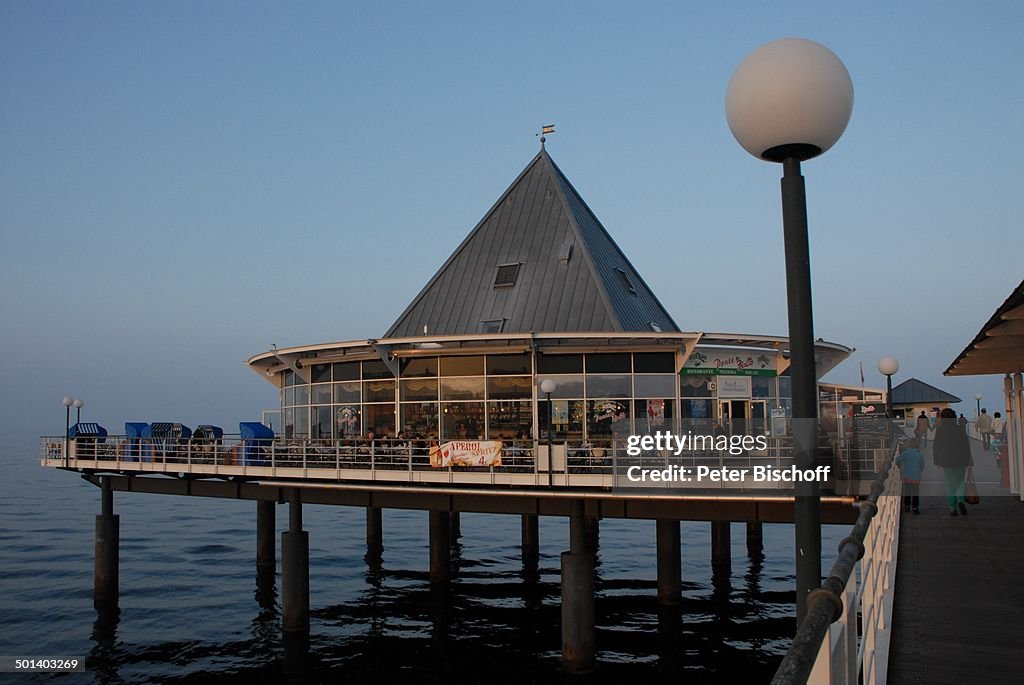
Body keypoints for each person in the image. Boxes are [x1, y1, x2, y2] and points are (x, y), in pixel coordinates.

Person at [932, 407, 972, 516]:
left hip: (946, 460)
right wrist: (969, 461)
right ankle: (960, 500)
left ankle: (952, 508)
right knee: (960, 482)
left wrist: (936, 460)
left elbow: (936, 446)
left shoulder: (940, 429)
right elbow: (966, 446)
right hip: (960, 460)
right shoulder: (960, 429)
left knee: (950, 484)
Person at [896, 438, 924, 514]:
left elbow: (897, 460)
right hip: (916, 477)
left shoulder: (905, 453)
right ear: (918, 445)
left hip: (907, 476)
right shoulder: (919, 455)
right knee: (915, 493)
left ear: (909, 444)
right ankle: (915, 507)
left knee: (907, 491)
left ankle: (907, 506)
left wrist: (899, 465)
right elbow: (922, 465)